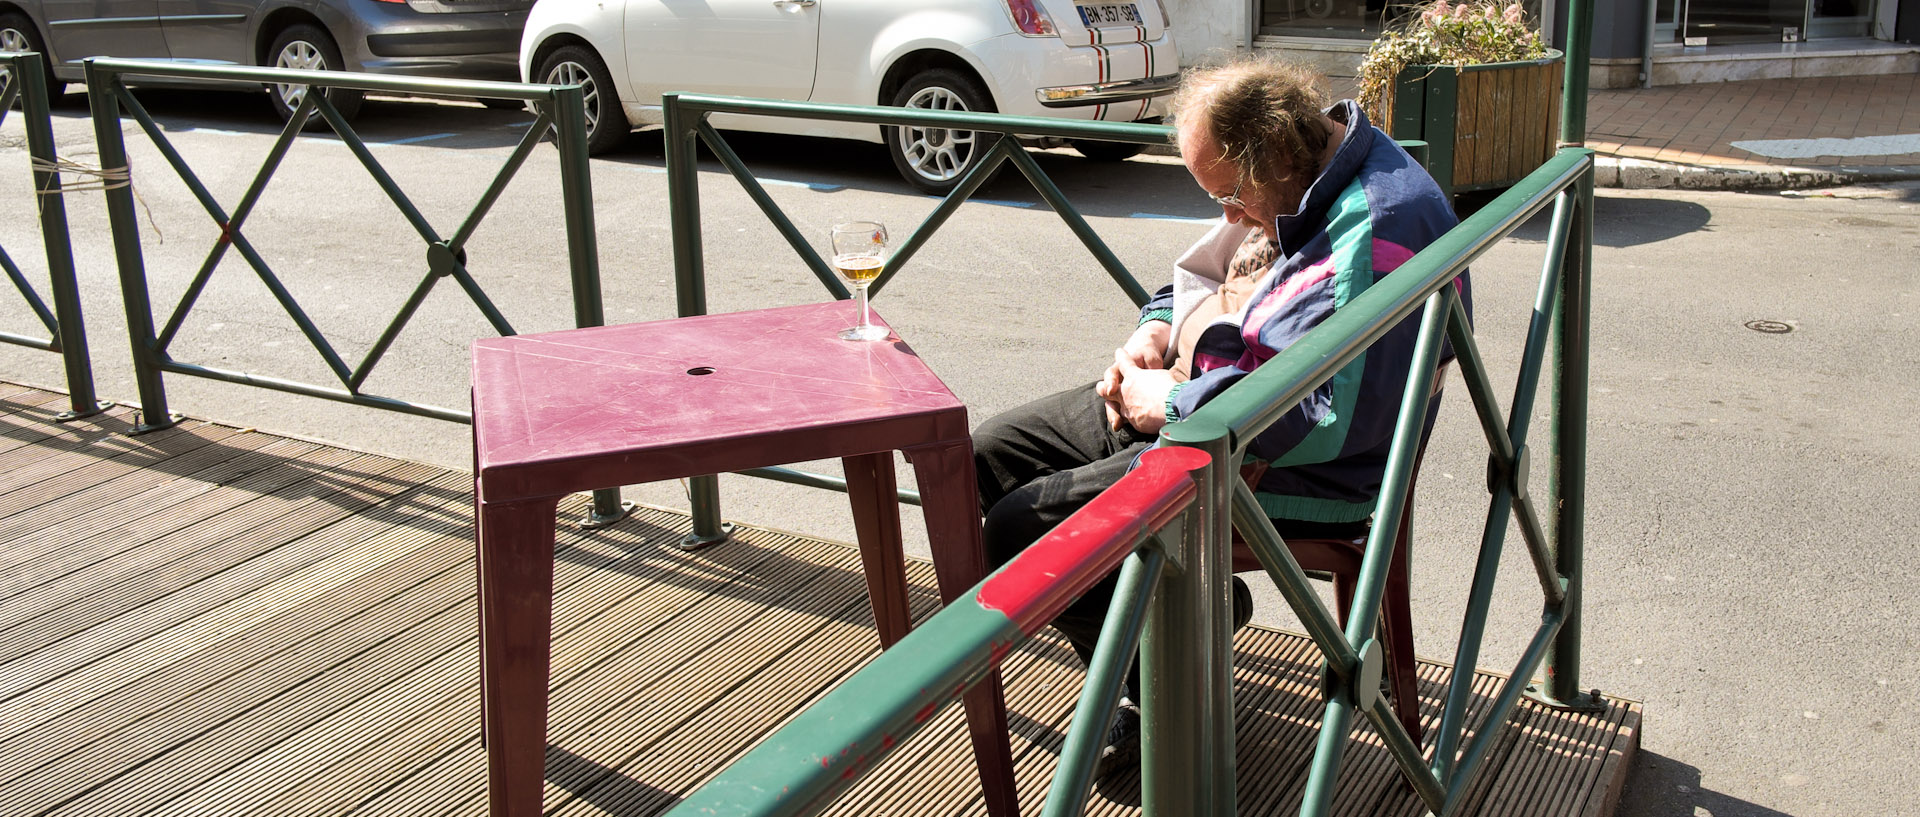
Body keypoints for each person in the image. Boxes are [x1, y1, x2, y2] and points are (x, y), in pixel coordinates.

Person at [971, 53, 1468, 773]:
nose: (1227, 214)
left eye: (1230, 194)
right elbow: (1209, 269)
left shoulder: (1369, 229)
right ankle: (1186, 627)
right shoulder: (1301, 166)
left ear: (1275, 149)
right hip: (1201, 394)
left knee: (1024, 526)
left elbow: (1318, 420)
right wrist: (1154, 329)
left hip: (1277, 463)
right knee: (993, 452)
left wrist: (1166, 403)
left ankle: (1168, 697)